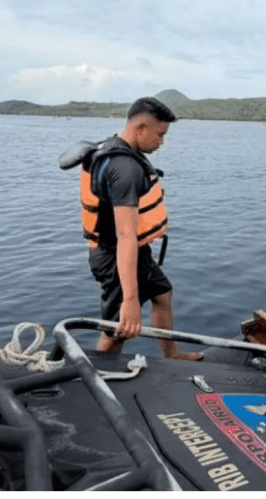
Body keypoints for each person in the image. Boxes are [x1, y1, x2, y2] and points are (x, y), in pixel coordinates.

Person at [78, 97, 202, 359]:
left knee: (162, 294)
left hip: (132, 251)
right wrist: (131, 300)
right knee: (118, 329)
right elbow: (125, 236)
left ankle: (170, 354)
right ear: (141, 127)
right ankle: (96, 373)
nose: (162, 142)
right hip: (115, 256)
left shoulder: (116, 148)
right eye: (160, 134)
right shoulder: (125, 169)